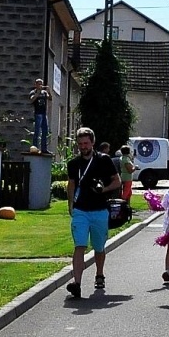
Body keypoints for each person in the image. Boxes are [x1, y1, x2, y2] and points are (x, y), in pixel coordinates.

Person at [65, 127, 120, 300]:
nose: (83, 147)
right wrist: (70, 204)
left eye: (86, 143)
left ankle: (99, 274)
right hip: (80, 210)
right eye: (80, 144)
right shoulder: (73, 164)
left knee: (98, 247)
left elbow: (117, 181)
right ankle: (77, 283)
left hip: (99, 210)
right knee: (79, 246)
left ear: (92, 143)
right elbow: (71, 184)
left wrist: (104, 189)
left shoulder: (103, 160)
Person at [28, 79, 49, 149]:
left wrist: (49, 91)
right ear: (36, 85)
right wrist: (38, 92)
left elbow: (50, 98)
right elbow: (31, 100)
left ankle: (44, 148)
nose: (40, 85)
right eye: (39, 84)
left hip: (44, 113)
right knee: (37, 131)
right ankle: (35, 147)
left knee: (45, 131)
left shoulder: (44, 92)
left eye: (41, 84)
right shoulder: (33, 92)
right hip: (38, 113)